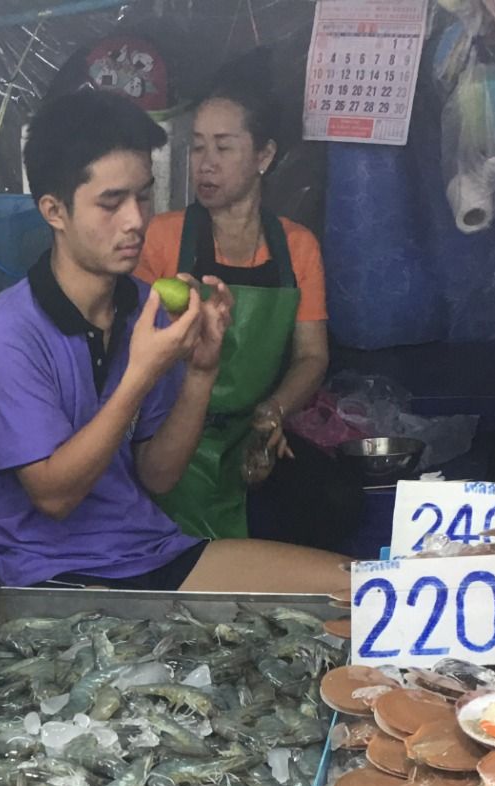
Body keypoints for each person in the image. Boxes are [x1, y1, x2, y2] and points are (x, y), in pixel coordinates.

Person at [0, 88, 349, 593]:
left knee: (358, 587)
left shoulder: (144, 306)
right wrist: (142, 372)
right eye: (110, 202)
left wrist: (200, 372)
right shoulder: (9, 331)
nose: (136, 220)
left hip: (153, 549)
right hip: (56, 574)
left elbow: (159, 476)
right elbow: (54, 497)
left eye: (143, 195)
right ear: (54, 211)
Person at [135, 68, 359, 549]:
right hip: (172, 439)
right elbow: (130, 354)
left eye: (223, 146)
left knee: (331, 507)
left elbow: (312, 356)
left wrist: (272, 413)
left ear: (264, 156)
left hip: (253, 438)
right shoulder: (160, 237)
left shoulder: (296, 247)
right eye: (197, 147)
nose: (205, 164)